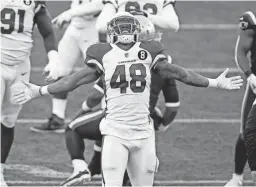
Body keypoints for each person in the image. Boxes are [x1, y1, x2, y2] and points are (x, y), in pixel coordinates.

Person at [13, 12, 243, 187]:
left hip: (124, 133)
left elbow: (74, 80)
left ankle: (85, 167)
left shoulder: (103, 53)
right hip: (134, 133)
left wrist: (40, 90)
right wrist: (214, 82)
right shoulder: (149, 52)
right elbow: (180, 74)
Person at [1, 0, 59, 186]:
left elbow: (47, 31)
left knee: (8, 120)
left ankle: (0, 171)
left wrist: (53, 57)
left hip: (21, 67)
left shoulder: (33, 2)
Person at [30, 0, 104, 133]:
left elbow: (99, 4)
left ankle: (107, 115)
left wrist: (70, 13)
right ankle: (57, 118)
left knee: (99, 71)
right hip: (74, 28)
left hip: (92, 29)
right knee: (58, 70)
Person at [225, 11, 256, 187]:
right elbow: (241, 53)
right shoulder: (252, 22)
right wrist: (249, 75)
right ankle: (237, 178)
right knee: (247, 131)